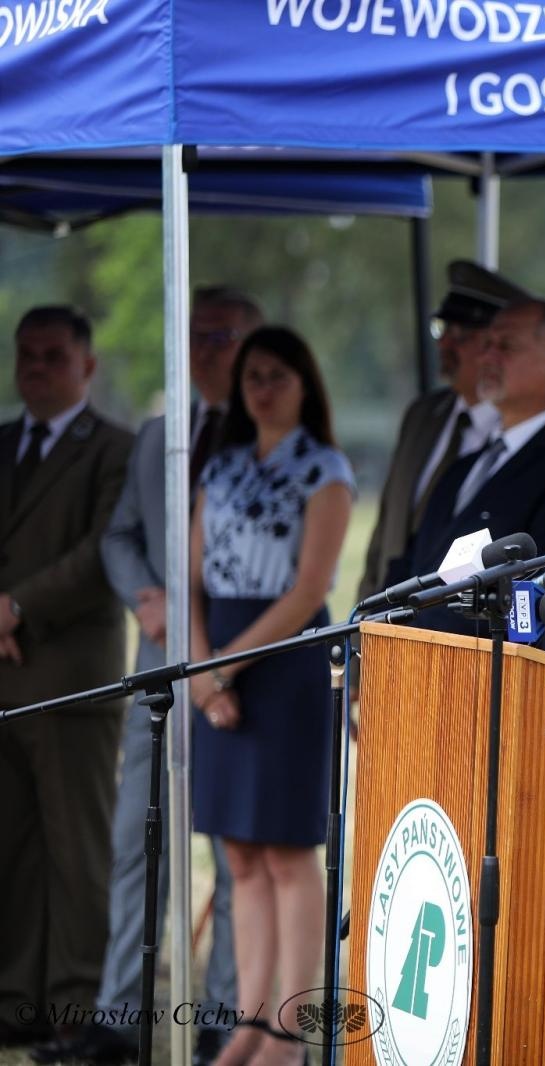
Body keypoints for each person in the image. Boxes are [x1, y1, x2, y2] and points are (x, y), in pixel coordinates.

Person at [45, 287, 262, 1066]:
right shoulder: (160, 437)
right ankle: (119, 1015)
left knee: (237, 850)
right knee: (136, 837)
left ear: (255, 342)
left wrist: (204, 618)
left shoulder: (274, 437)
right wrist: (146, 592)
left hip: (239, 674)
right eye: (194, 335)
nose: (207, 349)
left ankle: (223, 1018)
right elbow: (120, 536)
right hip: (154, 670)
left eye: (223, 335)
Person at [186, 326, 354, 1066]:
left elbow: (311, 589)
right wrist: (198, 669)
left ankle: (289, 1034)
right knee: (240, 857)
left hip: (284, 667)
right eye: (252, 374)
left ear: (304, 383)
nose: (262, 387)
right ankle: (249, 1024)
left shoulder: (326, 470)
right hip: (214, 654)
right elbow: (187, 574)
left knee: (288, 855)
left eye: (278, 374)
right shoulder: (218, 468)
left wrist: (225, 668)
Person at [0, 307, 133, 1054]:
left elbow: (99, 554)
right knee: (11, 848)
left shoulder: (112, 449)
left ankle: (78, 1004)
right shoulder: (2, 445)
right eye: (26, 355)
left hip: (69, 680)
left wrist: (17, 608)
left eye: (53, 355)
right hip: (3, 674)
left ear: (87, 365)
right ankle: (17, 999)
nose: (36, 368)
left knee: (76, 850)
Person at [405, 297, 545, 635]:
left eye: (506, 346)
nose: (487, 357)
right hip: (411, 664)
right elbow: (416, 565)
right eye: (487, 345)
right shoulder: (464, 466)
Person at [359, 260, 532, 600]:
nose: (445, 346)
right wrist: (366, 603)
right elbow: (386, 530)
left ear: (494, 347)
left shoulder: (513, 432)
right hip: (389, 606)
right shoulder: (425, 415)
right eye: (442, 330)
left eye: (461, 337)